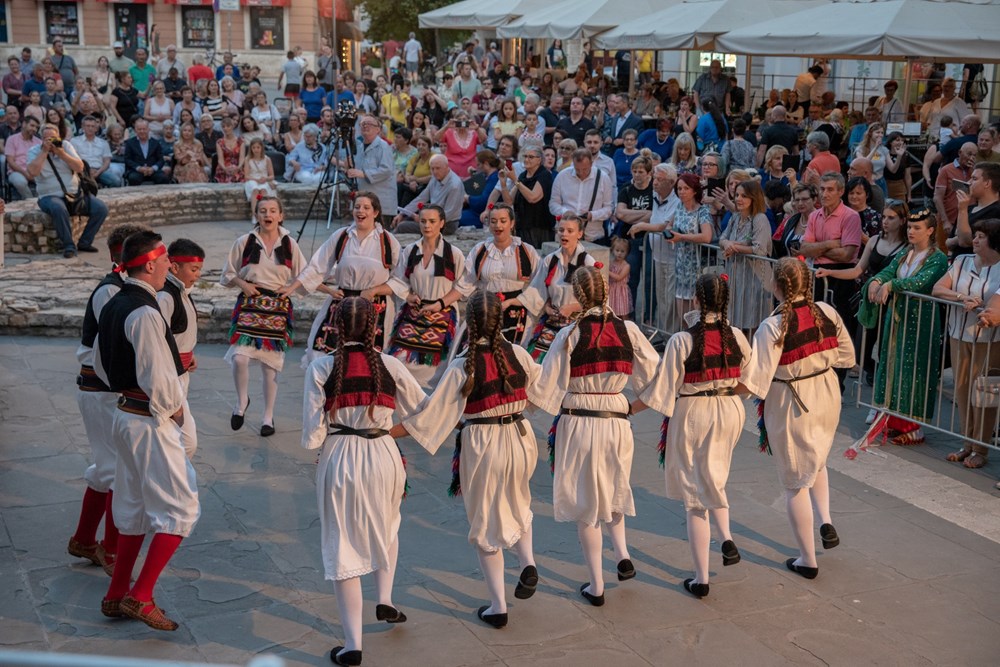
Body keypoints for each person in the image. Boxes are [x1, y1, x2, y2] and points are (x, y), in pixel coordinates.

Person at [400, 289, 543, 628]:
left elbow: (435, 414)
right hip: (522, 438)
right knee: (519, 500)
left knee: (484, 522)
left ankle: (498, 606)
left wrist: (388, 432)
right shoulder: (518, 354)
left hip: (484, 443)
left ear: (470, 321)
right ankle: (527, 562)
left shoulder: (463, 365)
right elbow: (538, 390)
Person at [301, 297, 425, 666]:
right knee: (388, 526)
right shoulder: (391, 364)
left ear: (336, 327)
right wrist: (392, 430)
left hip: (340, 455)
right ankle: (384, 598)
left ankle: (352, 646)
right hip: (384, 454)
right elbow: (427, 408)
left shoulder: (321, 367)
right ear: (375, 328)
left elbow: (311, 436)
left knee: (343, 545)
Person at [528, 266, 658, 606]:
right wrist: (632, 406)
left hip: (580, 421)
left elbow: (545, 387)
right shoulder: (628, 329)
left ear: (579, 296)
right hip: (617, 418)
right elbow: (659, 375)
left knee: (587, 502)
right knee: (613, 486)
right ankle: (622, 555)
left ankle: (596, 586)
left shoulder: (569, 334)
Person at [91, 230, 197, 631]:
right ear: (150, 263)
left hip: (124, 416)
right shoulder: (146, 312)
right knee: (181, 508)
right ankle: (141, 595)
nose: (171, 264)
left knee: (132, 507)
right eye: (167, 259)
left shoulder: (116, 302)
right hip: (149, 421)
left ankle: (116, 594)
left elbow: (102, 365)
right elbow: (161, 380)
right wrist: (177, 413)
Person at [633, 273, 753, 598]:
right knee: (715, 475)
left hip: (693, 411)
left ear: (697, 300)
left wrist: (627, 410)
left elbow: (662, 390)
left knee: (694, 495)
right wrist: (726, 398)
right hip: (729, 410)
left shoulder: (682, 340)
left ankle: (701, 579)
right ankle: (726, 536)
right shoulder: (738, 337)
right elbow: (750, 380)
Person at [743, 257, 854, 580]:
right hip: (827, 391)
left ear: (777, 285)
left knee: (795, 481)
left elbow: (757, 381)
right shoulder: (827, 311)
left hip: (793, 400)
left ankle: (807, 559)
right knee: (817, 460)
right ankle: (826, 520)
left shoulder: (773, 325)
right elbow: (847, 355)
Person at [68, 223, 152, 579]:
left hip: (103, 389)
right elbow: (111, 349)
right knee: (119, 471)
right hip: (101, 390)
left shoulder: (123, 290)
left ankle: (85, 538)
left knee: (106, 467)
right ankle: (112, 548)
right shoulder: (110, 293)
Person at [281, 192, 403, 367]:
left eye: (366, 207)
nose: (360, 211)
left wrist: (375, 290)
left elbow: (400, 279)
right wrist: (291, 288)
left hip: (374, 304)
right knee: (322, 351)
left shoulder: (388, 241)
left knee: (370, 357)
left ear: (375, 213)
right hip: (342, 300)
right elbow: (317, 266)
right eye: (357, 207)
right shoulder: (341, 236)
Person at [220, 196, 307, 436]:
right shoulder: (245, 241)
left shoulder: (289, 244)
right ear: (256, 215)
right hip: (250, 304)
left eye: (272, 211)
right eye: (262, 211)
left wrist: (289, 289)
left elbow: (305, 274)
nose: (267, 215)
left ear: (281, 215)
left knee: (270, 368)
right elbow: (227, 273)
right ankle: (241, 403)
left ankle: (268, 417)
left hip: (277, 309)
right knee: (239, 357)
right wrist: (242, 284)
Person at [863, 209, 949, 445]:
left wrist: (892, 285)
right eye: (910, 227)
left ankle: (913, 427)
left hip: (920, 321)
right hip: (897, 318)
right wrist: (878, 280)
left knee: (914, 370)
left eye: (917, 228)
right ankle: (893, 421)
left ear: (930, 231)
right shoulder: (905, 253)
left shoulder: (937, 258)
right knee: (892, 366)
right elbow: (888, 271)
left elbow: (921, 283)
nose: (911, 231)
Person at [817, 201, 908, 401]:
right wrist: (831, 271)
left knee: (886, 350)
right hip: (869, 301)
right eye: (884, 216)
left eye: (891, 217)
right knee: (860, 349)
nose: (885, 221)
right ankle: (872, 372)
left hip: (892, 303)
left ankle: (882, 397)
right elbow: (858, 270)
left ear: (902, 220)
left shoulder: (907, 247)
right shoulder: (874, 241)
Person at [931, 217, 1000, 469]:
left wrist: (982, 307)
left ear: (993, 241)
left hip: (990, 342)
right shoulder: (961, 261)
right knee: (962, 391)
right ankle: (966, 443)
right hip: (958, 335)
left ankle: (981, 448)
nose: (975, 240)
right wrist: (962, 297)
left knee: (983, 393)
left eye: (981, 236)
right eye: (976, 235)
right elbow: (938, 289)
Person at [383, 204, 466, 388]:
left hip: (442, 313)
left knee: (437, 365)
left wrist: (440, 303)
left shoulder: (453, 254)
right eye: (423, 221)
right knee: (400, 359)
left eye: (432, 221)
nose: (427, 225)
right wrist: (408, 296)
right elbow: (400, 280)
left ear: (442, 223)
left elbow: (463, 285)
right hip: (414, 313)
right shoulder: (411, 251)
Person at [799, 173, 863, 375]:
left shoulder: (850, 216)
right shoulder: (814, 216)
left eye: (830, 189)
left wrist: (816, 248)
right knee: (815, 326)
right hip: (817, 275)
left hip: (840, 277)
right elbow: (804, 249)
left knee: (838, 329)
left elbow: (847, 254)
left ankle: (839, 381)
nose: (824, 194)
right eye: (822, 189)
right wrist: (828, 245)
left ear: (841, 192)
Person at [452, 204, 540, 350]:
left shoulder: (527, 251)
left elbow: (539, 284)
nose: (497, 225)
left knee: (513, 354)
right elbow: (465, 283)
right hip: (485, 307)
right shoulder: (480, 250)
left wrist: (515, 301)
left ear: (512, 223)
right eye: (493, 221)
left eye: (503, 221)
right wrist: (441, 303)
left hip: (517, 311)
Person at [521, 214, 598, 361]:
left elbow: (598, 300)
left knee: (571, 366)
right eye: (561, 230)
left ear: (580, 234)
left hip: (578, 324)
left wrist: (572, 307)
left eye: (570, 231)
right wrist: (546, 307)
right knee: (537, 362)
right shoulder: (550, 260)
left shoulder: (587, 262)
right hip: (553, 323)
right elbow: (537, 292)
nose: (564, 234)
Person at [27, 123, 108, 258]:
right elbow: (33, 172)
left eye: (53, 138)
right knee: (59, 208)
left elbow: (79, 167)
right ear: (41, 139)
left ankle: (84, 242)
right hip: (49, 196)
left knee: (101, 208)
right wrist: (44, 151)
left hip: (74, 193)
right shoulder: (34, 151)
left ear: (59, 137)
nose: (51, 141)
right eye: (47, 139)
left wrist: (61, 153)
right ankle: (69, 246)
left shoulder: (66, 146)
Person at [156, 239, 204, 460]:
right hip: (169, 380)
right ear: (174, 267)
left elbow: (179, 335)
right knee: (184, 443)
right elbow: (158, 342)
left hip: (181, 374)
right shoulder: (166, 296)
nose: (198, 275)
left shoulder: (182, 291)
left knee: (184, 443)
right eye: (193, 269)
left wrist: (188, 355)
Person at [718, 180, 774, 331]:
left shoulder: (760, 219)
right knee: (734, 317)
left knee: (754, 319)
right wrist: (728, 244)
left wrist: (734, 247)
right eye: (736, 195)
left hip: (755, 277)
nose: (738, 199)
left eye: (744, 195)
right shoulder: (735, 217)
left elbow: (760, 249)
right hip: (736, 276)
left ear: (754, 198)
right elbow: (722, 238)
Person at [671, 173, 715, 323]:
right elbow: (668, 226)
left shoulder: (702, 211)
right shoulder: (679, 207)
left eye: (686, 188)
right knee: (682, 316)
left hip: (696, 269)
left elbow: (706, 236)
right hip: (680, 268)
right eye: (679, 188)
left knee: (695, 318)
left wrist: (681, 237)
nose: (681, 191)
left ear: (694, 191)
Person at [549, 148, 614, 242]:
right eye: (577, 169)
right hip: (565, 235)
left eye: (585, 169)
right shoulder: (562, 176)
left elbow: (608, 209)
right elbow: (553, 204)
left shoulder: (603, 178)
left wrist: (592, 215)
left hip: (592, 236)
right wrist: (565, 212)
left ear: (591, 164)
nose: (581, 172)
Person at [616, 155, 655, 311]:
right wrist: (645, 214)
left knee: (649, 280)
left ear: (648, 173)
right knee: (631, 278)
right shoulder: (626, 188)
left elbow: (655, 215)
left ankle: (648, 316)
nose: (637, 174)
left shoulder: (653, 189)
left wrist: (631, 215)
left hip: (649, 238)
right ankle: (629, 313)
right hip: (629, 239)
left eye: (640, 171)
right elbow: (620, 214)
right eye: (634, 171)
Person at [392, 154, 464, 235]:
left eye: (438, 168)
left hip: (446, 224)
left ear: (446, 167)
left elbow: (448, 214)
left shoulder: (454, 185)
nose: (435, 171)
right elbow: (421, 198)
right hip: (432, 217)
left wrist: (425, 219)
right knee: (402, 219)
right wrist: (403, 213)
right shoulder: (435, 178)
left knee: (403, 226)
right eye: (432, 169)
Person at [502, 145, 553, 249]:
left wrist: (515, 180)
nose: (526, 159)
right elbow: (508, 201)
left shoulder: (544, 175)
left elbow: (533, 198)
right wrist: (503, 182)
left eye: (530, 157)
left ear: (539, 160)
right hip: (522, 226)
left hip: (539, 228)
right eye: (525, 156)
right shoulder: (523, 176)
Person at [71, 115, 120, 188]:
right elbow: (73, 159)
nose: (90, 128)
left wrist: (98, 172)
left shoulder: (103, 143)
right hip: (82, 171)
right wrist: (87, 170)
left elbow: (107, 161)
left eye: (92, 126)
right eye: (88, 126)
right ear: (83, 127)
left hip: (99, 171)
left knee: (116, 181)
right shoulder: (75, 141)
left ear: (96, 128)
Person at [124, 119, 170, 186]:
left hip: (152, 170)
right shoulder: (130, 143)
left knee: (163, 178)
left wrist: (153, 168)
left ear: (148, 129)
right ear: (135, 130)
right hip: (136, 170)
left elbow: (161, 159)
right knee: (133, 178)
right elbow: (127, 159)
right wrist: (139, 168)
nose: (142, 131)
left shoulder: (156, 143)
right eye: (139, 129)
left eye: (144, 129)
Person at [243, 138, 275, 203]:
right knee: (255, 190)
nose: (256, 150)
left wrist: (265, 179)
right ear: (251, 149)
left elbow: (272, 176)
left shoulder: (267, 159)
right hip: (252, 180)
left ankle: (262, 208)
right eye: (253, 148)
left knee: (263, 190)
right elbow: (246, 176)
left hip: (264, 180)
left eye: (258, 147)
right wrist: (256, 180)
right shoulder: (248, 159)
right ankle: (254, 212)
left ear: (261, 148)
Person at [608, 237, 632, 319]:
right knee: (611, 312)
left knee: (623, 312)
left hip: (621, 292)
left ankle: (626, 327)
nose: (619, 253)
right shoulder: (611, 263)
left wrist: (607, 272)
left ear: (627, 252)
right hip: (611, 290)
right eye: (617, 250)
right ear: (613, 250)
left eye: (622, 251)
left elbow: (619, 278)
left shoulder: (626, 266)